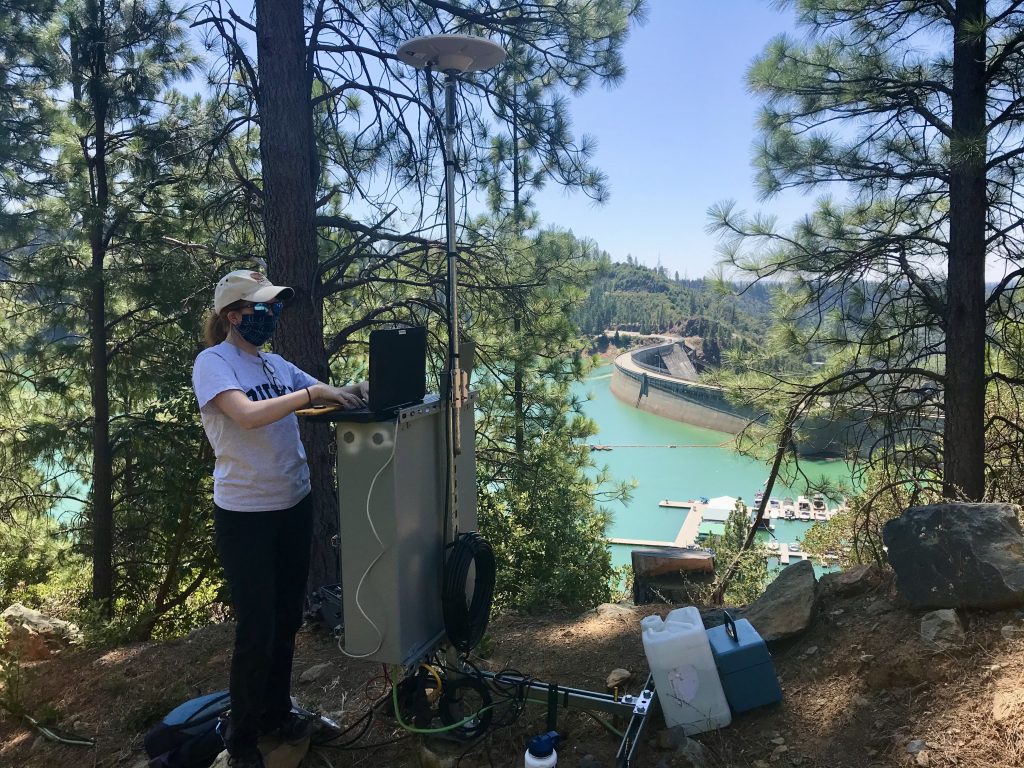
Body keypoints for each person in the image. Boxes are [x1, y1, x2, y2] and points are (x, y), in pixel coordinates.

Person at [192, 269, 367, 767]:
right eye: (260, 308)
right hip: (246, 515)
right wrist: (314, 396)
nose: (270, 315)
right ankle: (241, 737)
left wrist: (358, 389)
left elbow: (328, 391)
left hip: (294, 503)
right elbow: (245, 415)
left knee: (287, 619)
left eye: (274, 307)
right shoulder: (214, 363)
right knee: (257, 629)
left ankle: (277, 714)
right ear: (233, 315)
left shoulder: (274, 365)